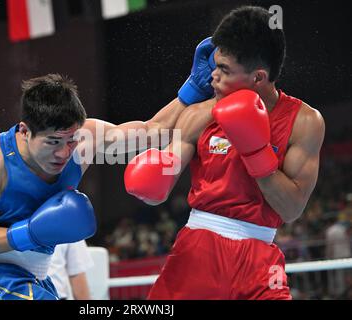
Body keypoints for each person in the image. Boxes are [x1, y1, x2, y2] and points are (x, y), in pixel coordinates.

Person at [0, 41, 217, 301]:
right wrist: (30, 232)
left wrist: (194, 87)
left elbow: (153, 131)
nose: (64, 152)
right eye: (53, 142)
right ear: (25, 131)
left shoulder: (86, 137)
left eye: (70, 140)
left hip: (38, 276)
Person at [124, 6, 325, 299]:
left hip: (260, 261)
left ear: (258, 77)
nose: (213, 77)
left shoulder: (305, 122)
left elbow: (292, 209)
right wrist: (155, 174)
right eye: (215, 65)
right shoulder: (200, 114)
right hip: (198, 250)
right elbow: (165, 166)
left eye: (225, 70)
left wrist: (255, 152)